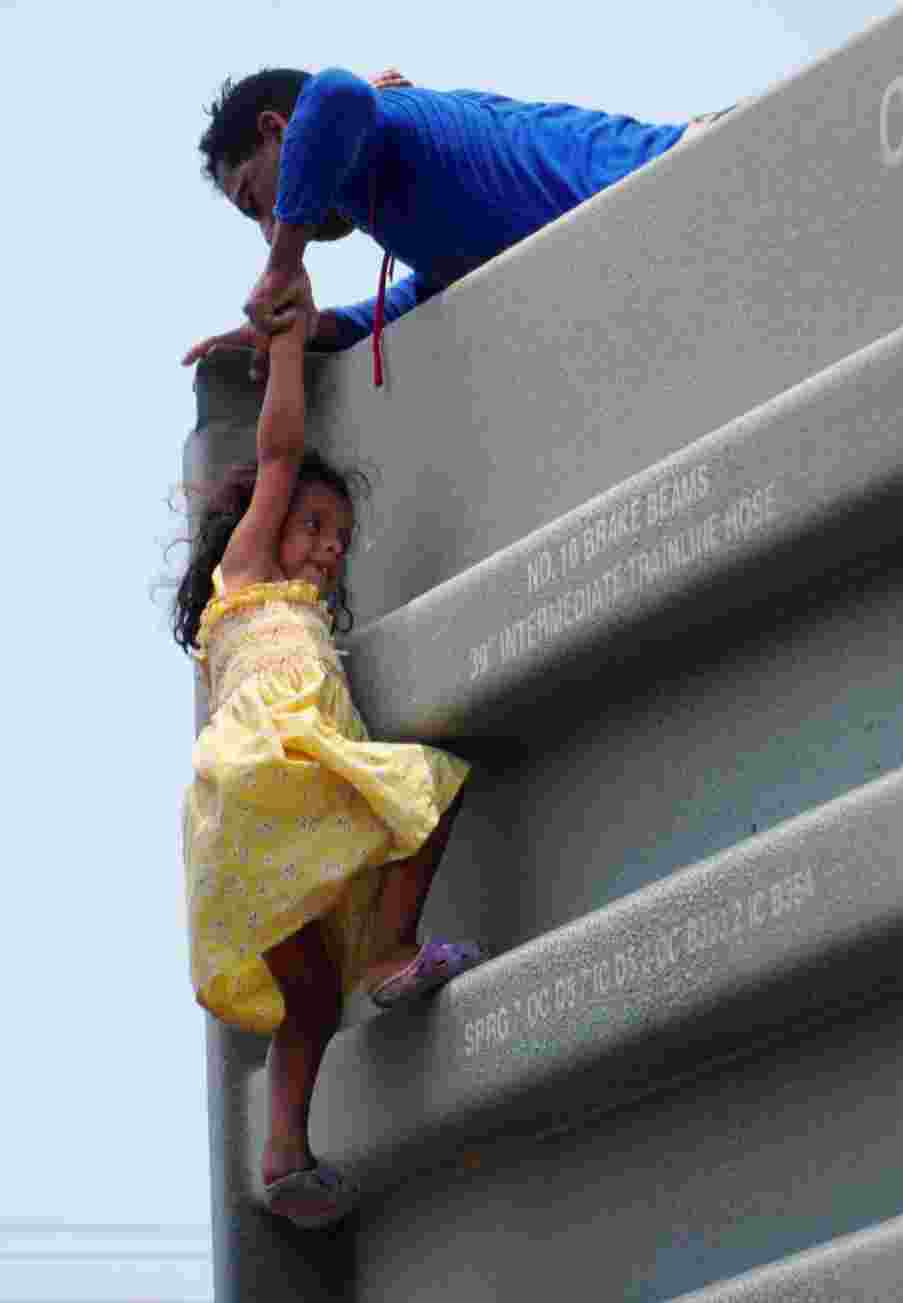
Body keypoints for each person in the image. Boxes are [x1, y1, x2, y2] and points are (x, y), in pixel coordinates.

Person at [176, 275, 482, 1228]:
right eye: (314, 525)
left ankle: (285, 1157)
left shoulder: (300, 616)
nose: (328, 548)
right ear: (260, 529)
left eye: (341, 537)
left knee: (309, 1000)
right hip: (278, 770)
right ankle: (390, 948)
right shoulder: (248, 573)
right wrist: (282, 349)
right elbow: (278, 451)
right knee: (429, 786)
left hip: (258, 832)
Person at [183, 67, 735, 385]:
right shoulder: (387, 194)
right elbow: (428, 293)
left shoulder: (376, 118)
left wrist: (284, 264)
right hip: (673, 223)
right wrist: (315, 329)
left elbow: (334, 95)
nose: (268, 227)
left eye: (255, 200)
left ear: (277, 129)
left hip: (700, 171)